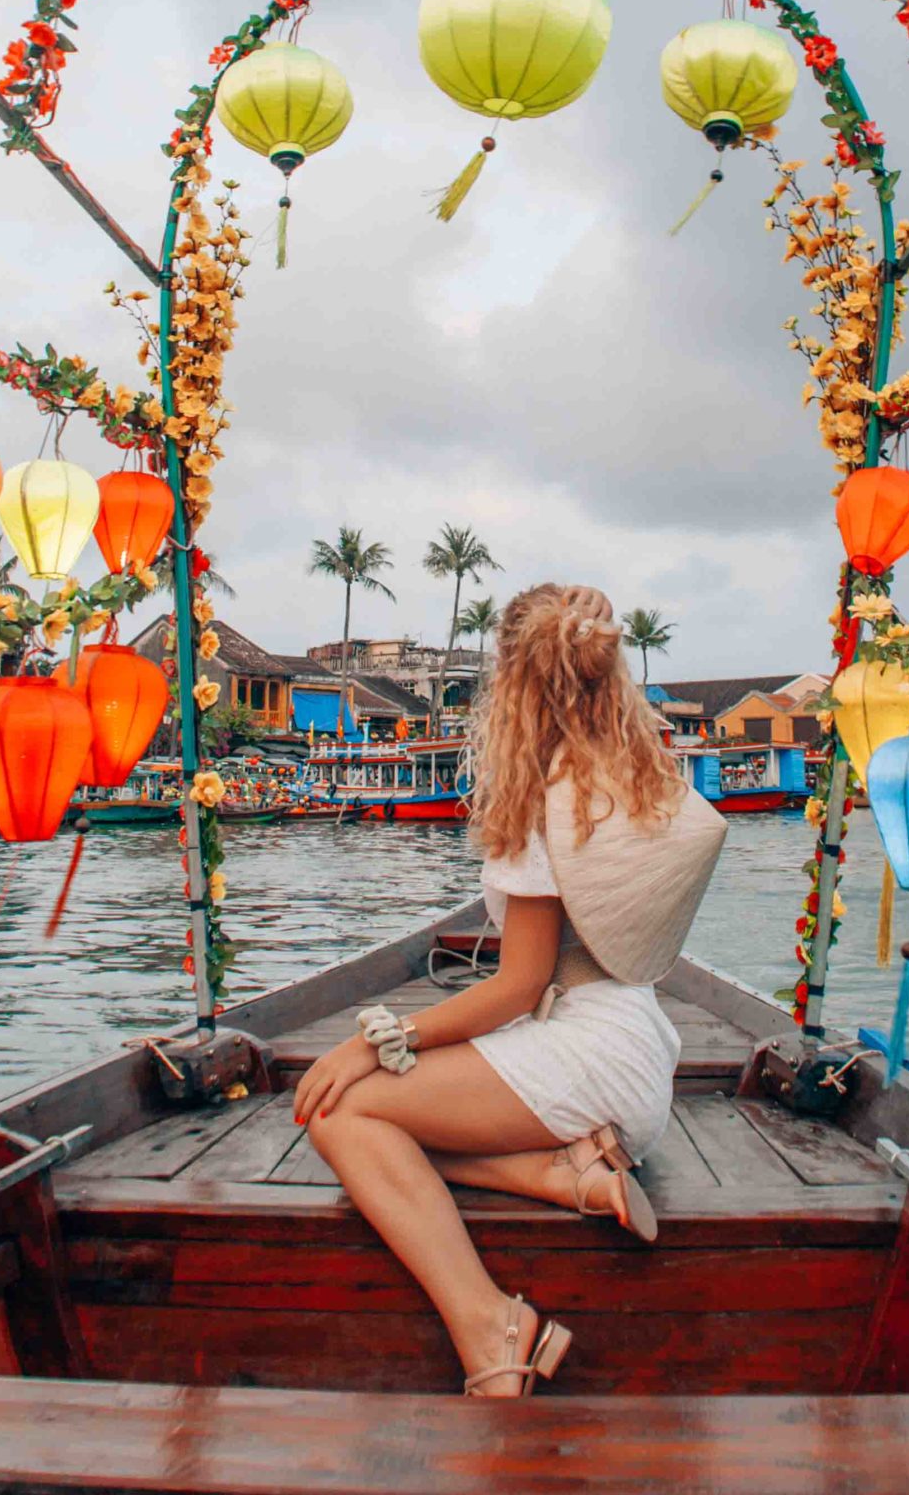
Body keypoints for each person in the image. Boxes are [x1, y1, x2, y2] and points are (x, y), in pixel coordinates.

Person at [293, 582, 724, 1399]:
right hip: (636, 1053)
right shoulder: (639, 774)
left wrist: (376, 1039)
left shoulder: (548, 796)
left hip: (585, 1056)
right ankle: (562, 1173)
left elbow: (520, 987)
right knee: (370, 1113)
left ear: (512, 683)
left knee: (339, 1114)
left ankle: (491, 1324)